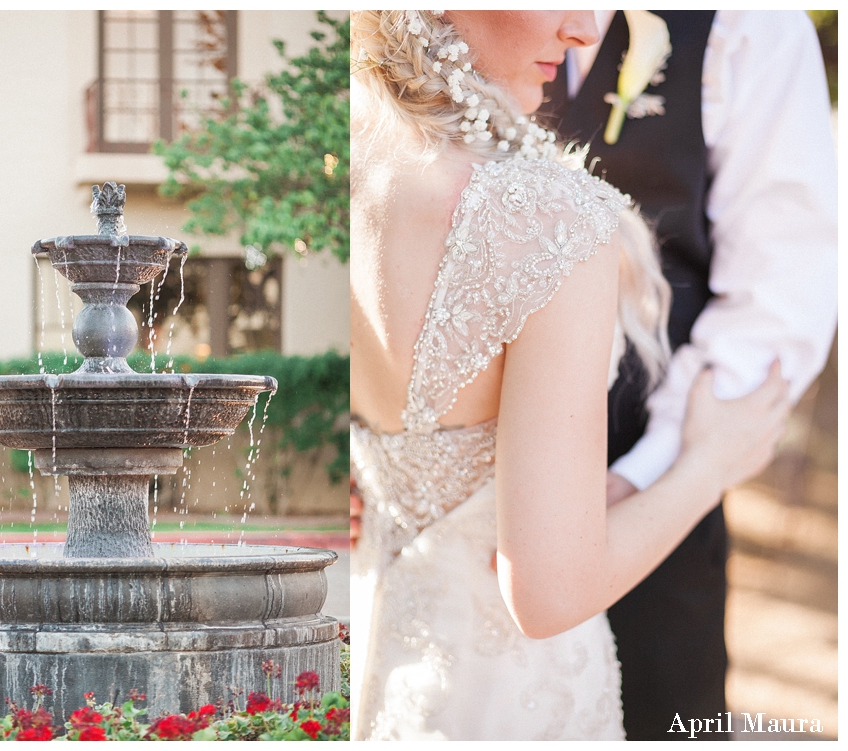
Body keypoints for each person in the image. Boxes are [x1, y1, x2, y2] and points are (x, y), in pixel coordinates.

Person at [349, 10, 791, 741]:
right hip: (513, 698)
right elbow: (547, 594)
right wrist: (708, 463)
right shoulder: (551, 220)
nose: (585, 29)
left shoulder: (348, 168)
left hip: (382, 655)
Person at [535, 11, 837, 739]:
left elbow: (780, 286)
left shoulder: (747, 27)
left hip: (656, 483)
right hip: (455, 490)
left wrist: (646, 475)